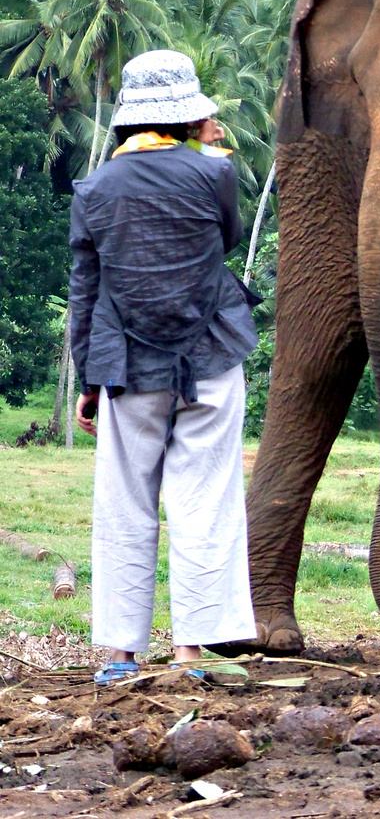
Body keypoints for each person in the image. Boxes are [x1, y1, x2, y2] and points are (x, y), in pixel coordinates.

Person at [69, 49, 261, 684]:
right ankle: (189, 656)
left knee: (125, 504)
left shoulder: (94, 190)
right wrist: (204, 152)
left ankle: (121, 658)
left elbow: (86, 292)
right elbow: (226, 239)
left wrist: (89, 381)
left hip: (126, 367)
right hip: (209, 355)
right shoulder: (215, 174)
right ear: (188, 114)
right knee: (204, 502)